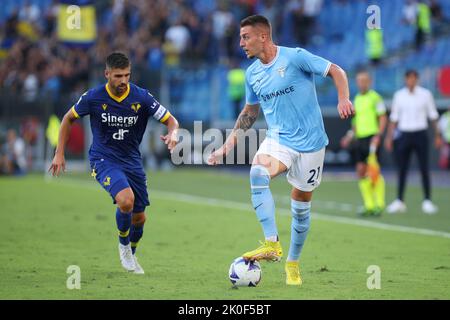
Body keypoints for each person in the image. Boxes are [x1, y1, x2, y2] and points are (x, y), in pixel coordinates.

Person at [207, 15, 354, 286]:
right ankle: (272, 244)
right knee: (258, 172)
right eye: (240, 38)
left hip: (311, 144)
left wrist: (343, 97)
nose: (241, 43)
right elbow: (249, 113)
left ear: (263, 36)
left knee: (300, 209)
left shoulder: (295, 57)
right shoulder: (252, 74)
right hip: (280, 140)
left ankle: (293, 262)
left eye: (245, 37)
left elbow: (336, 70)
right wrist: (225, 148)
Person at [49, 52, 179, 273]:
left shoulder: (142, 97)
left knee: (139, 217)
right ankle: (123, 247)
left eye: (127, 75)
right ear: (107, 74)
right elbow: (68, 119)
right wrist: (59, 153)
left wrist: (173, 133)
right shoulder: (93, 97)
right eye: (118, 76)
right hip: (103, 159)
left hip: (132, 160)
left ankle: (132, 252)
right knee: (125, 201)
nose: (123, 81)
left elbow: (171, 120)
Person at [384, 69, 441, 215]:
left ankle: (427, 200)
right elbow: (394, 119)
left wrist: (437, 135)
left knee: (424, 168)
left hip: (420, 133)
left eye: (414, 78)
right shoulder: (399, 96)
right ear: (405, 79)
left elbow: (433, 116)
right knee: (402, 169)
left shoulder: (425, 95)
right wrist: (389, 137)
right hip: (404, 135)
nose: (411, 81)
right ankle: (399, 201)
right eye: (409, 78)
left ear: (417, 79)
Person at [340, 71, 387, 216]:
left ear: (370, 82)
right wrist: (349, 136)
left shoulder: (375, 98)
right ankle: (369, 205)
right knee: (360, 171)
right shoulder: (357, 99)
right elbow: (355, 122)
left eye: (364, 81)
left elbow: (383, 117)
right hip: (360, 139)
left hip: (372, 137)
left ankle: (379, 204)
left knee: (374, 171)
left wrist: (378, 135)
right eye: (359, 81)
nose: (362, 83)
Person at [438, 105, 450, 169]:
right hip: (446, 138)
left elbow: (440, 127)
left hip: (446, 137)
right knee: (445, 154)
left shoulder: (445, 116)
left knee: (445, 154)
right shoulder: (445, 116)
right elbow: (441, 127)